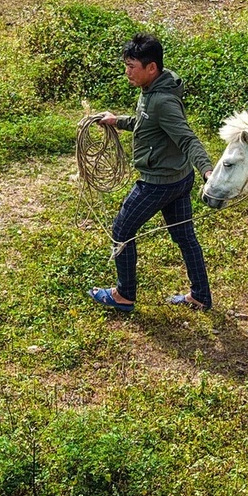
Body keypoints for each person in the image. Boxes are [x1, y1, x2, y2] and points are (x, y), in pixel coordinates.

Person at [89, 33, 214, 313]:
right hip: (179, 179)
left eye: (132, 66)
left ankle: (124, 295)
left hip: (160, 184)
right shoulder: (153, 90)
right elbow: (146, 124)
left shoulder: (162, 102)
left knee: (122, 229)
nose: (127, 72)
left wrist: (207, 170)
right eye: (127, 65)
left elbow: (187, 138)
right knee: (185, 237)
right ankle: (200, 296)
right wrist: (117, 121)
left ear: (151, 68)